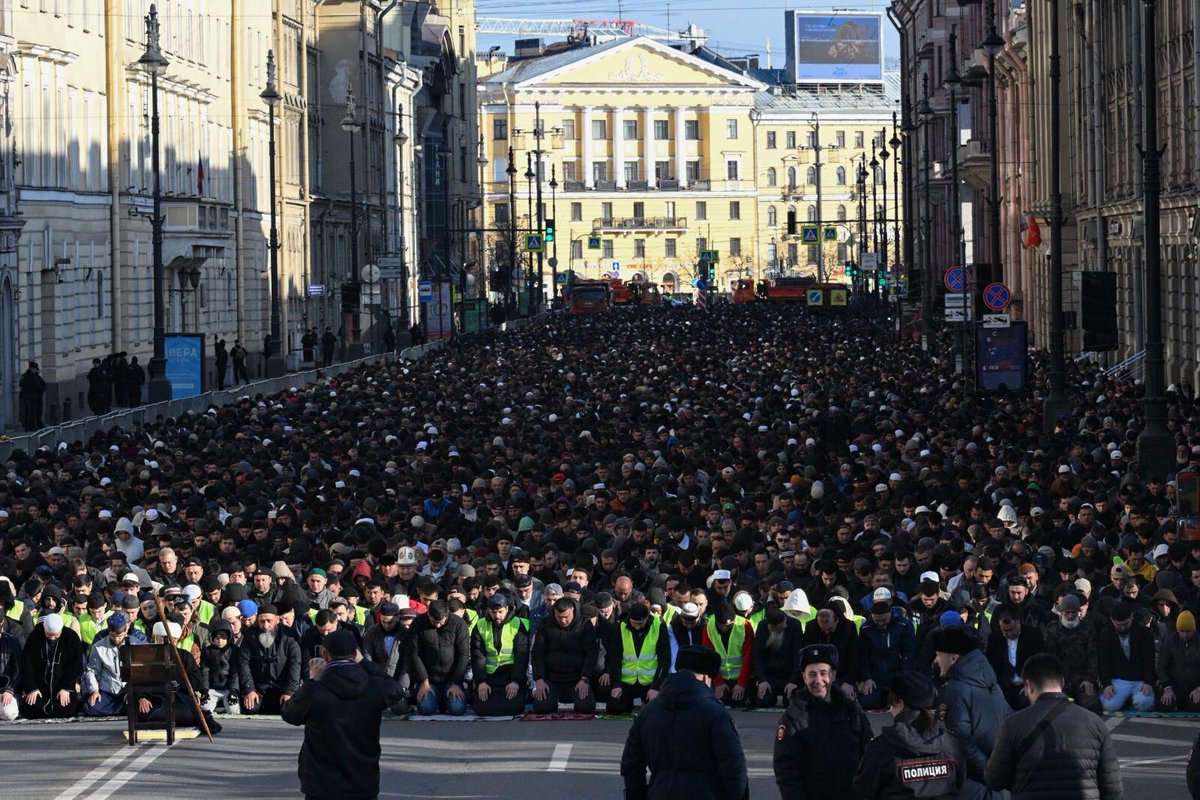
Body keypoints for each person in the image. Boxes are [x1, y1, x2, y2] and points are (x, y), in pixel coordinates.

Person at [282, 628, 403, 800]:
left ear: (325, 655)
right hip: (363, 777)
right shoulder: (373, 686)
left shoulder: (316, 690)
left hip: (321, 781)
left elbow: (289, 714)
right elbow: (395, 688)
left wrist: (310, 682)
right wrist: (364, 663)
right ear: (354, 654)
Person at [985, 653, 1123, 799]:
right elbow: (1112, 788)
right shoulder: (1094, 723)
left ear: (1028, 686)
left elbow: (995, 779)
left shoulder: (1013, 724)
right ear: (1062, 683)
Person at [619, 645, 748, 800]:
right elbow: (734, 769)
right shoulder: (716, 714)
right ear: (706, 677)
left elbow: (631, 765)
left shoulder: (648, 713)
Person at [774, 643, 872, 800]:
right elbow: (786, 773)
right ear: (804, 677)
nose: (818, 680)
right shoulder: (793, 718)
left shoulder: (852, 710)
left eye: (823, 673)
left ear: (833, 674)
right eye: (812, 674)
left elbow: (869, 756)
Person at [852, 671, 966, 798]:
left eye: (891, 703)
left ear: (900, 703)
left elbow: (863, 790)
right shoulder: (950, 743)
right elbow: (960, 786)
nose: (889, 709)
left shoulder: (882, 748)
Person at [931, 624, 1010, 800]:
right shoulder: (992, 684)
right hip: (994, 781)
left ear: (953, 656)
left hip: (971, 783)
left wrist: (987, 772)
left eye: (938, 655)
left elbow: (959, 741)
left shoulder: (955, 690)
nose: (936, 661)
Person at [532, 596, 598, 714]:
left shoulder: (585, 624)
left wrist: (585, 678)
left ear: (572, 611)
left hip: (577, 678)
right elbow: (538, 653)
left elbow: (591, 653)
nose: (562, 621)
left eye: (566, 617)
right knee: (541, 708)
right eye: (559, 617)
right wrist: (539, 679)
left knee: (586, 708)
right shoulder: (545, 624)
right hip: (552, 678)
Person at [408, 597, 471, 716]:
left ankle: (445, 700)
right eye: (434, 621)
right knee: (426, 709)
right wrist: (424, 681)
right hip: (429, 679)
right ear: (428, 614)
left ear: (447, 615)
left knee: (457, 709)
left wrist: (456, 682)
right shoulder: (418, 623)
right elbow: (415, 654)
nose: (437, 625)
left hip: (451, 679)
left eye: (440, 622)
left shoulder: (459, 624)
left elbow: (463, 655)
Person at [606, 602, 671, 714]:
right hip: (627, 682)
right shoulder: (621, 626)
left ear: (647, 618)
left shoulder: (658, 624)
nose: (637, 627)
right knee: (614, 708)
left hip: (649, 682)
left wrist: (656, 687)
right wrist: (616, 684)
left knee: (657, 709)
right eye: (634, 623)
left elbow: (664, 659)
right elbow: (615, 658)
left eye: (640, 623)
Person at [470, 595, 528, 716]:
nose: (497, 616)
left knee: (514, 707)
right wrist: (481, 682)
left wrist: (516, 681)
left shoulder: (517, 624)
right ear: (488, 611)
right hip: (489, 676)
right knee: (481, 708)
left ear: (507, 609)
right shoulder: (480, 625)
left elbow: (521, 656)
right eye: (493, 612)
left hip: (510, 675)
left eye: (500, 612)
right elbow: (477, 655)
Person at [238, 604, 302, 714]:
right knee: (250, 708)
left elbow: (295, 665)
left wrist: (289, 692)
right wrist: (249, 690)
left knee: (289, 711)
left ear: (277, 620)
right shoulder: (250, 635)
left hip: (282, 688)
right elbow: (243, 663)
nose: (266, 625)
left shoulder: (289, 636)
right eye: (262, 621)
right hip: (258, 689)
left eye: (269, 621)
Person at [18, 613, 83, 718]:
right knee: (31, 708)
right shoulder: (34, 637)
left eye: (56, 635)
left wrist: (66, 687)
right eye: (49, 635)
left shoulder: (71, 637)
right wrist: (31, 688)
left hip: (62, 687)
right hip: (39, 688)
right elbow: (26, 664)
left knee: (67, 708)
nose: (52, 638)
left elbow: (75, 665)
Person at [1098, 600, 1156, 712]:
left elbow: (1149, 659)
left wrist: (1148, 682)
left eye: (1126, 624)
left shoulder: (1143, 632)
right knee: (1109, 706)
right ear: (1112, 620)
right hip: (1118, 679)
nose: (1122, 628)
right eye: (1118, 625)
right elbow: (1103, 661)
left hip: (1140, 680)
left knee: (1145, 704)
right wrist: (1107, 684)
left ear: (1132, 617)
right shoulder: (1105, 634)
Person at [1158, 609, 1200, 711]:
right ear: (1177, 629)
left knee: (1194, 706)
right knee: (1164, 705)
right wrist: (1167, 687)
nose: (1185, 635)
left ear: (1193, 630)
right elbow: (1161, 666)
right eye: (1182, 631)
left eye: (1188, 631)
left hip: (1194, 687)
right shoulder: (1169, 641)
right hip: (1174, 687)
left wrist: (1199, 689)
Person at [18, 360, 45, 430]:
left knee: (34, 411)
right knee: (28, 412)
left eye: (35, 369)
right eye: (33, 369)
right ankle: (28, 426)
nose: (34, 370)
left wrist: (40, 389)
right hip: (27, 397)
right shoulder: (25, 376)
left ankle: (33, 425)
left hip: (35, 397)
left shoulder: (36, 377)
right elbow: (21, 384)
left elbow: (42, 385)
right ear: (30, 368)